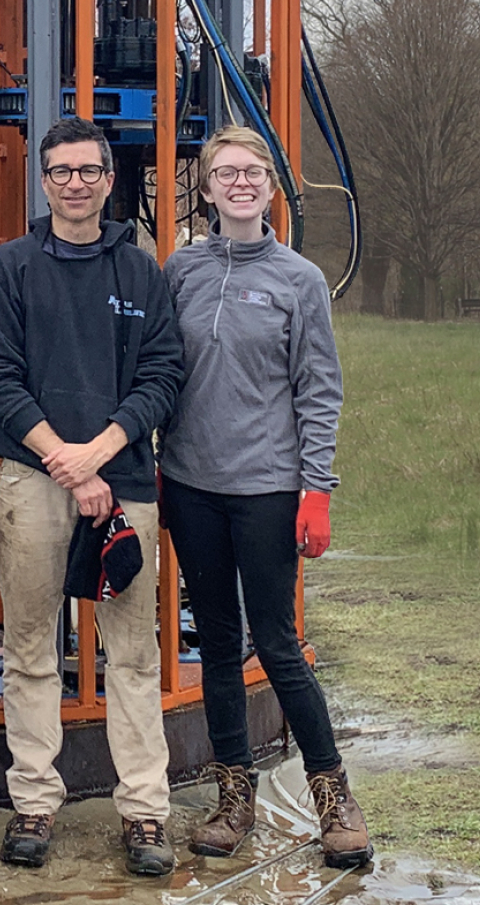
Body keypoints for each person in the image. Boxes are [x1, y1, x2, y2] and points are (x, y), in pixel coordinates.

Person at [0, 117, 184, 877]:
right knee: (30, 647)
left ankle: (146, 812)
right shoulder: (11, 267)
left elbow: (163, 374)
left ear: (108, 179)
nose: (74, 183)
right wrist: (66, 459)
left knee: (133, 653)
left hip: (122, 478)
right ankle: (34, 801)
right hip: (35, 477)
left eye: (88, 170)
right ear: (44, 181)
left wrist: (101, 452)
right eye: (59, 171)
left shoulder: (141, 271)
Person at [160, 125, 373, 869]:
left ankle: (333, 796)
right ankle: (233, 797)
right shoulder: (180, 271)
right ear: (208, 187)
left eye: (253, 172)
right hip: (190, 485)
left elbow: (320, 390)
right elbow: (158, 372)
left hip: (268, 490)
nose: (240, 183)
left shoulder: (298, 280)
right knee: (217, 642)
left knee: (276, 644)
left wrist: (316, 487)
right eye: (225, 173)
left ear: (272, 188)